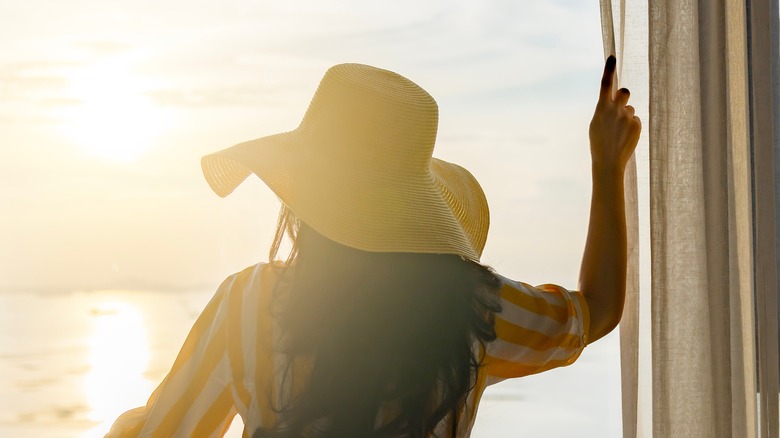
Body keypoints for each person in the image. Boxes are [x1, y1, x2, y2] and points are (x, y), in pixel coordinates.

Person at [107, 55, 640, 437]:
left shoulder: (250, 304)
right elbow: (595, 311)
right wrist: (606, 166)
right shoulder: (472, 311)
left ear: (304, 194)